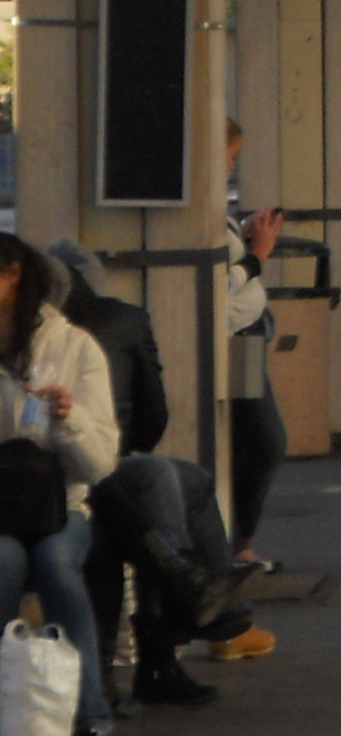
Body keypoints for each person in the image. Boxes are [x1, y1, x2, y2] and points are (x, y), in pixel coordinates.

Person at [51, 241, 257, 706]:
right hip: (90, 470)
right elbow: (154, 418)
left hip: (88, 467)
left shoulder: (40, 340)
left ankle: (186, 585)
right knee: (162, 479)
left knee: (170, 481)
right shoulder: (123, 321)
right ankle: (181, 613)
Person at [0, 234, 123, 736]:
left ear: (12, 277)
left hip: (62, 505)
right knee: (3, 561)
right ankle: (8, 717)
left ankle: (89, 726)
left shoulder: (75, 348)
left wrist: (68, 419)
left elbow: (100, 465)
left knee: (55, 563)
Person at [225, 117, 288, 590]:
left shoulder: (215, 214)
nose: (232, 164)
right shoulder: (204, 215)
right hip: (234, 340)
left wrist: (247, 240)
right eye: (230, 155)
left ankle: (236, 540)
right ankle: (237, 544)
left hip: (244, 336)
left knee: (252, 441)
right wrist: (259, 251)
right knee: (265, 440)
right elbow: (228, 281)